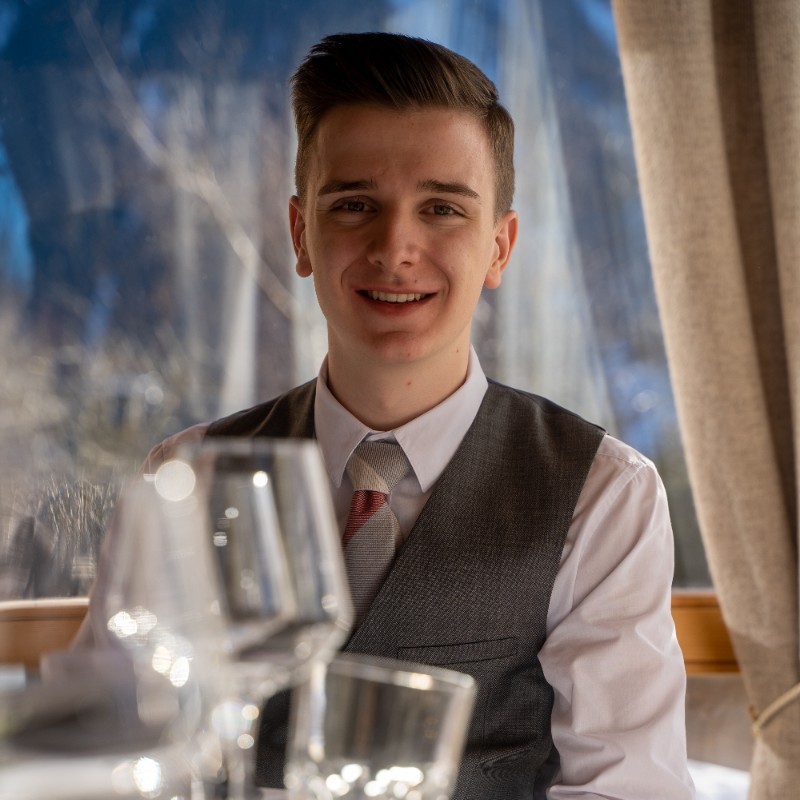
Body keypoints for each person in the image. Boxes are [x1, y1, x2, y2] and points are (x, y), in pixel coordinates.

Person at [81, 32, 694, 799]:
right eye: (355, 205)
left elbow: (628, 788)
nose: (395, 245)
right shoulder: (187, 478)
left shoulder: (603, 494)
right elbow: (106, 757)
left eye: (441, 208)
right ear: (301, 234)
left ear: (499, 247)